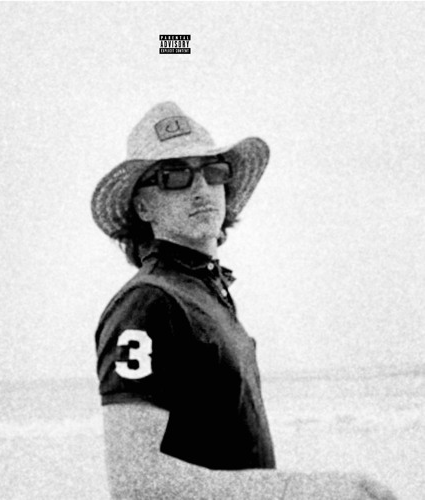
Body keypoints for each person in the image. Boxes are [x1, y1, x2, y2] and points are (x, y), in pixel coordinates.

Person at [91, 102, 397, 499]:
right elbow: (136, 483)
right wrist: (312, 491)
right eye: (175, 176)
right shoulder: (149, 303)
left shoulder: (205, 295)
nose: (201, 188)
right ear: (143, 205)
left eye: (213, 171)